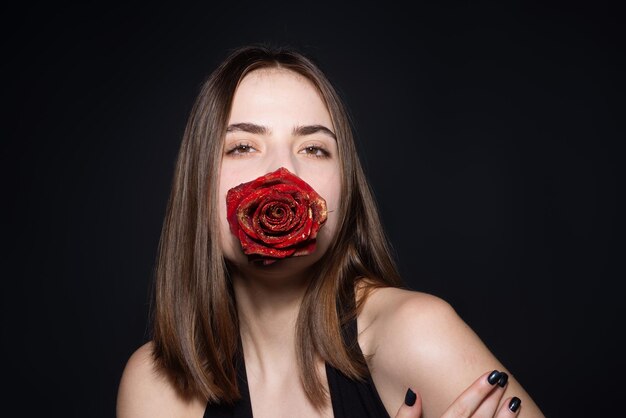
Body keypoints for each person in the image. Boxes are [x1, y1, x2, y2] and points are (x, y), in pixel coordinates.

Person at [116, 44, 545, 418]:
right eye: (243, 146)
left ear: (345, 191)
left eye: (314, 148)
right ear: (198, 184)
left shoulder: (416, 335)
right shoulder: (155, 387)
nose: (282, 171)